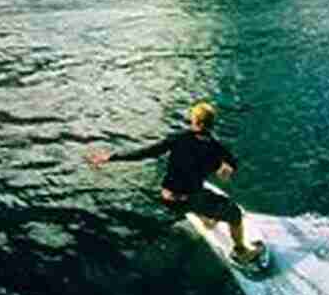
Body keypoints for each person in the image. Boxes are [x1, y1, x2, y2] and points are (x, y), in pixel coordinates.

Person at [88, 101, 264, 265]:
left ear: (194, 121)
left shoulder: (177, 139)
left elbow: (145, 152)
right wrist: (227, 168)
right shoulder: (216, 148)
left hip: (167, 197)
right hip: (190, 199)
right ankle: (241, 252)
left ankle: (206, 220)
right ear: (211, 124)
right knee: (234, 213)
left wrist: (111, 157)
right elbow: (232, 162)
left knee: (198, 193)